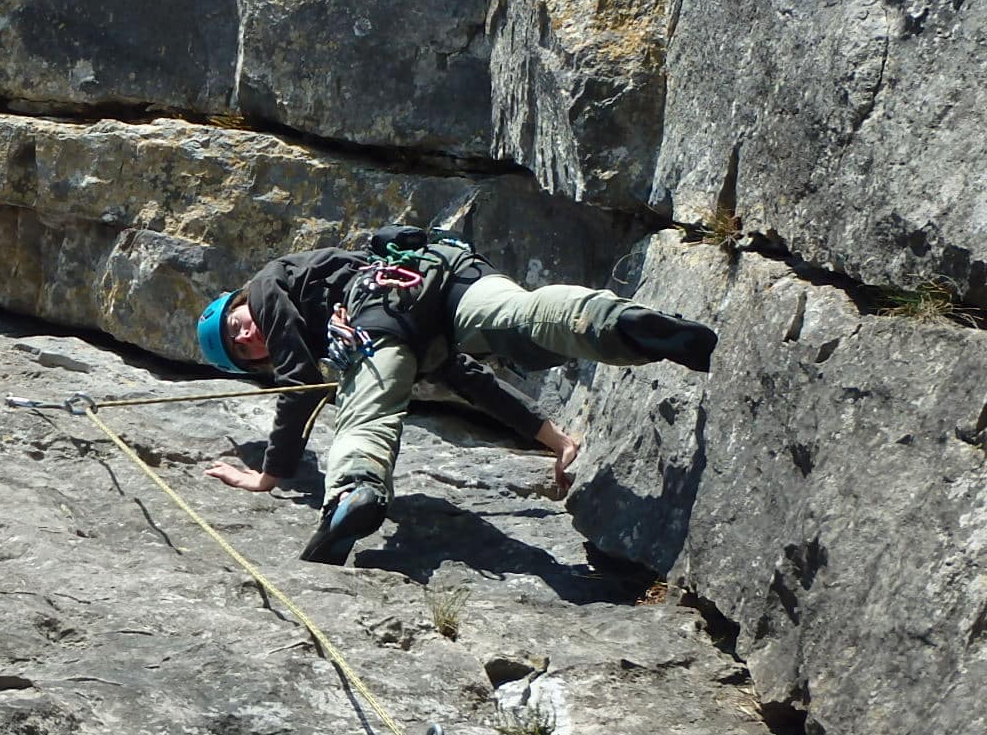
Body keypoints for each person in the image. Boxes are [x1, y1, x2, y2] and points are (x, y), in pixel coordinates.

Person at [196, 225, 717, 565]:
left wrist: (269, 474)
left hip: (381, 310)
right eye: (242, 352)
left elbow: (298, 382)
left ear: (240, 300)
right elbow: (466, 378)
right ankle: (612, 320)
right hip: (443, 275)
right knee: (524, 315)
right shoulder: (323, 302)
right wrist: (554, 439)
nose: (246, 336)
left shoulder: (267, 285)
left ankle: (355, 491)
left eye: (236, 325)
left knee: (367, 409)